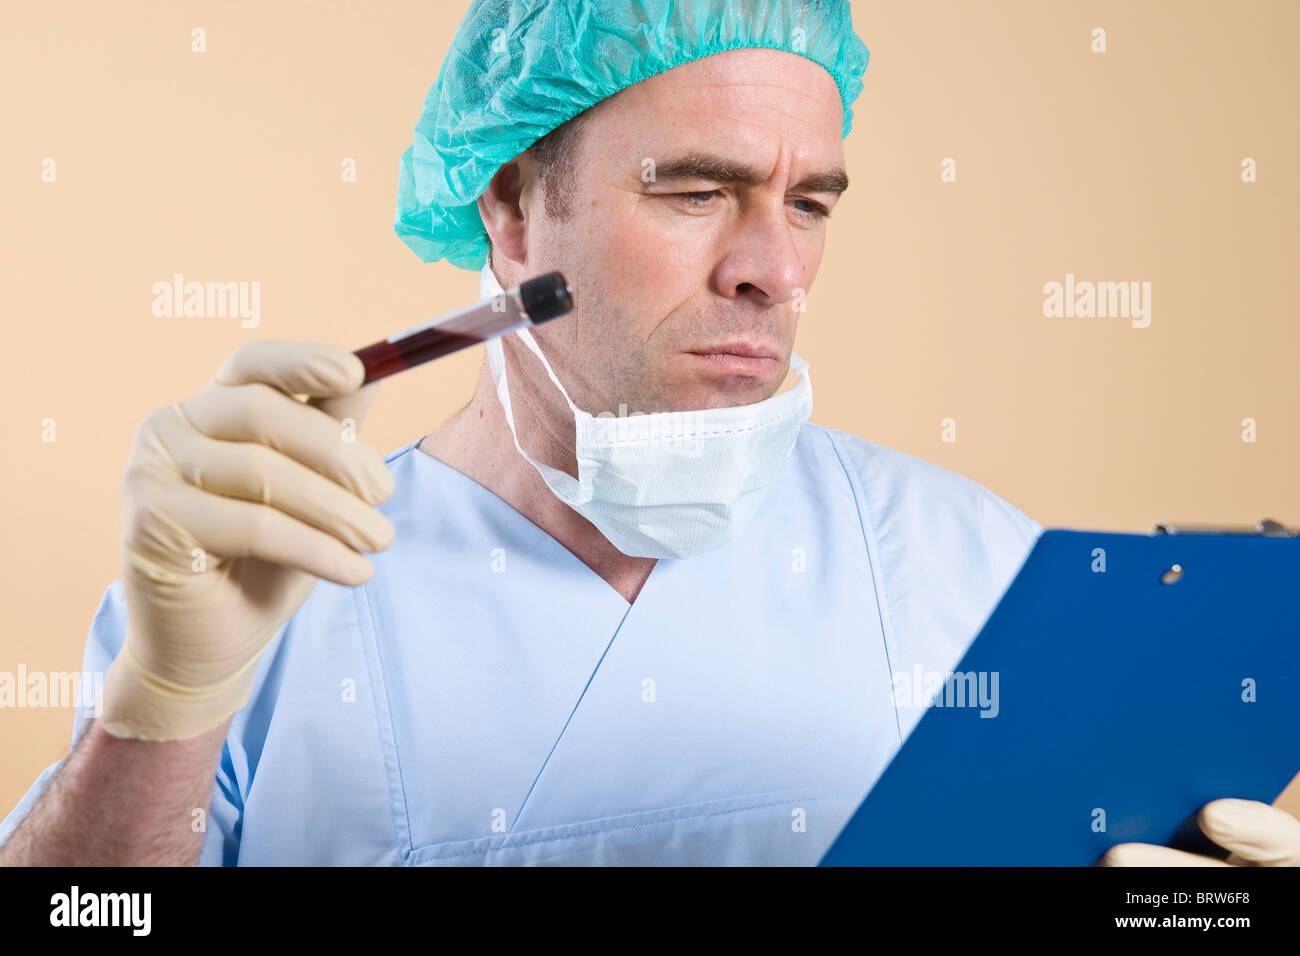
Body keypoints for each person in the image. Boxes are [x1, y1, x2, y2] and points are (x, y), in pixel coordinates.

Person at [2, 0, 1296, 867]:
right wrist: (159, 718)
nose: (773, 270)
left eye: (811, 204)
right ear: (511, 214)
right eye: (696, 191)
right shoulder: (258, 593)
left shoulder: (979, 576)